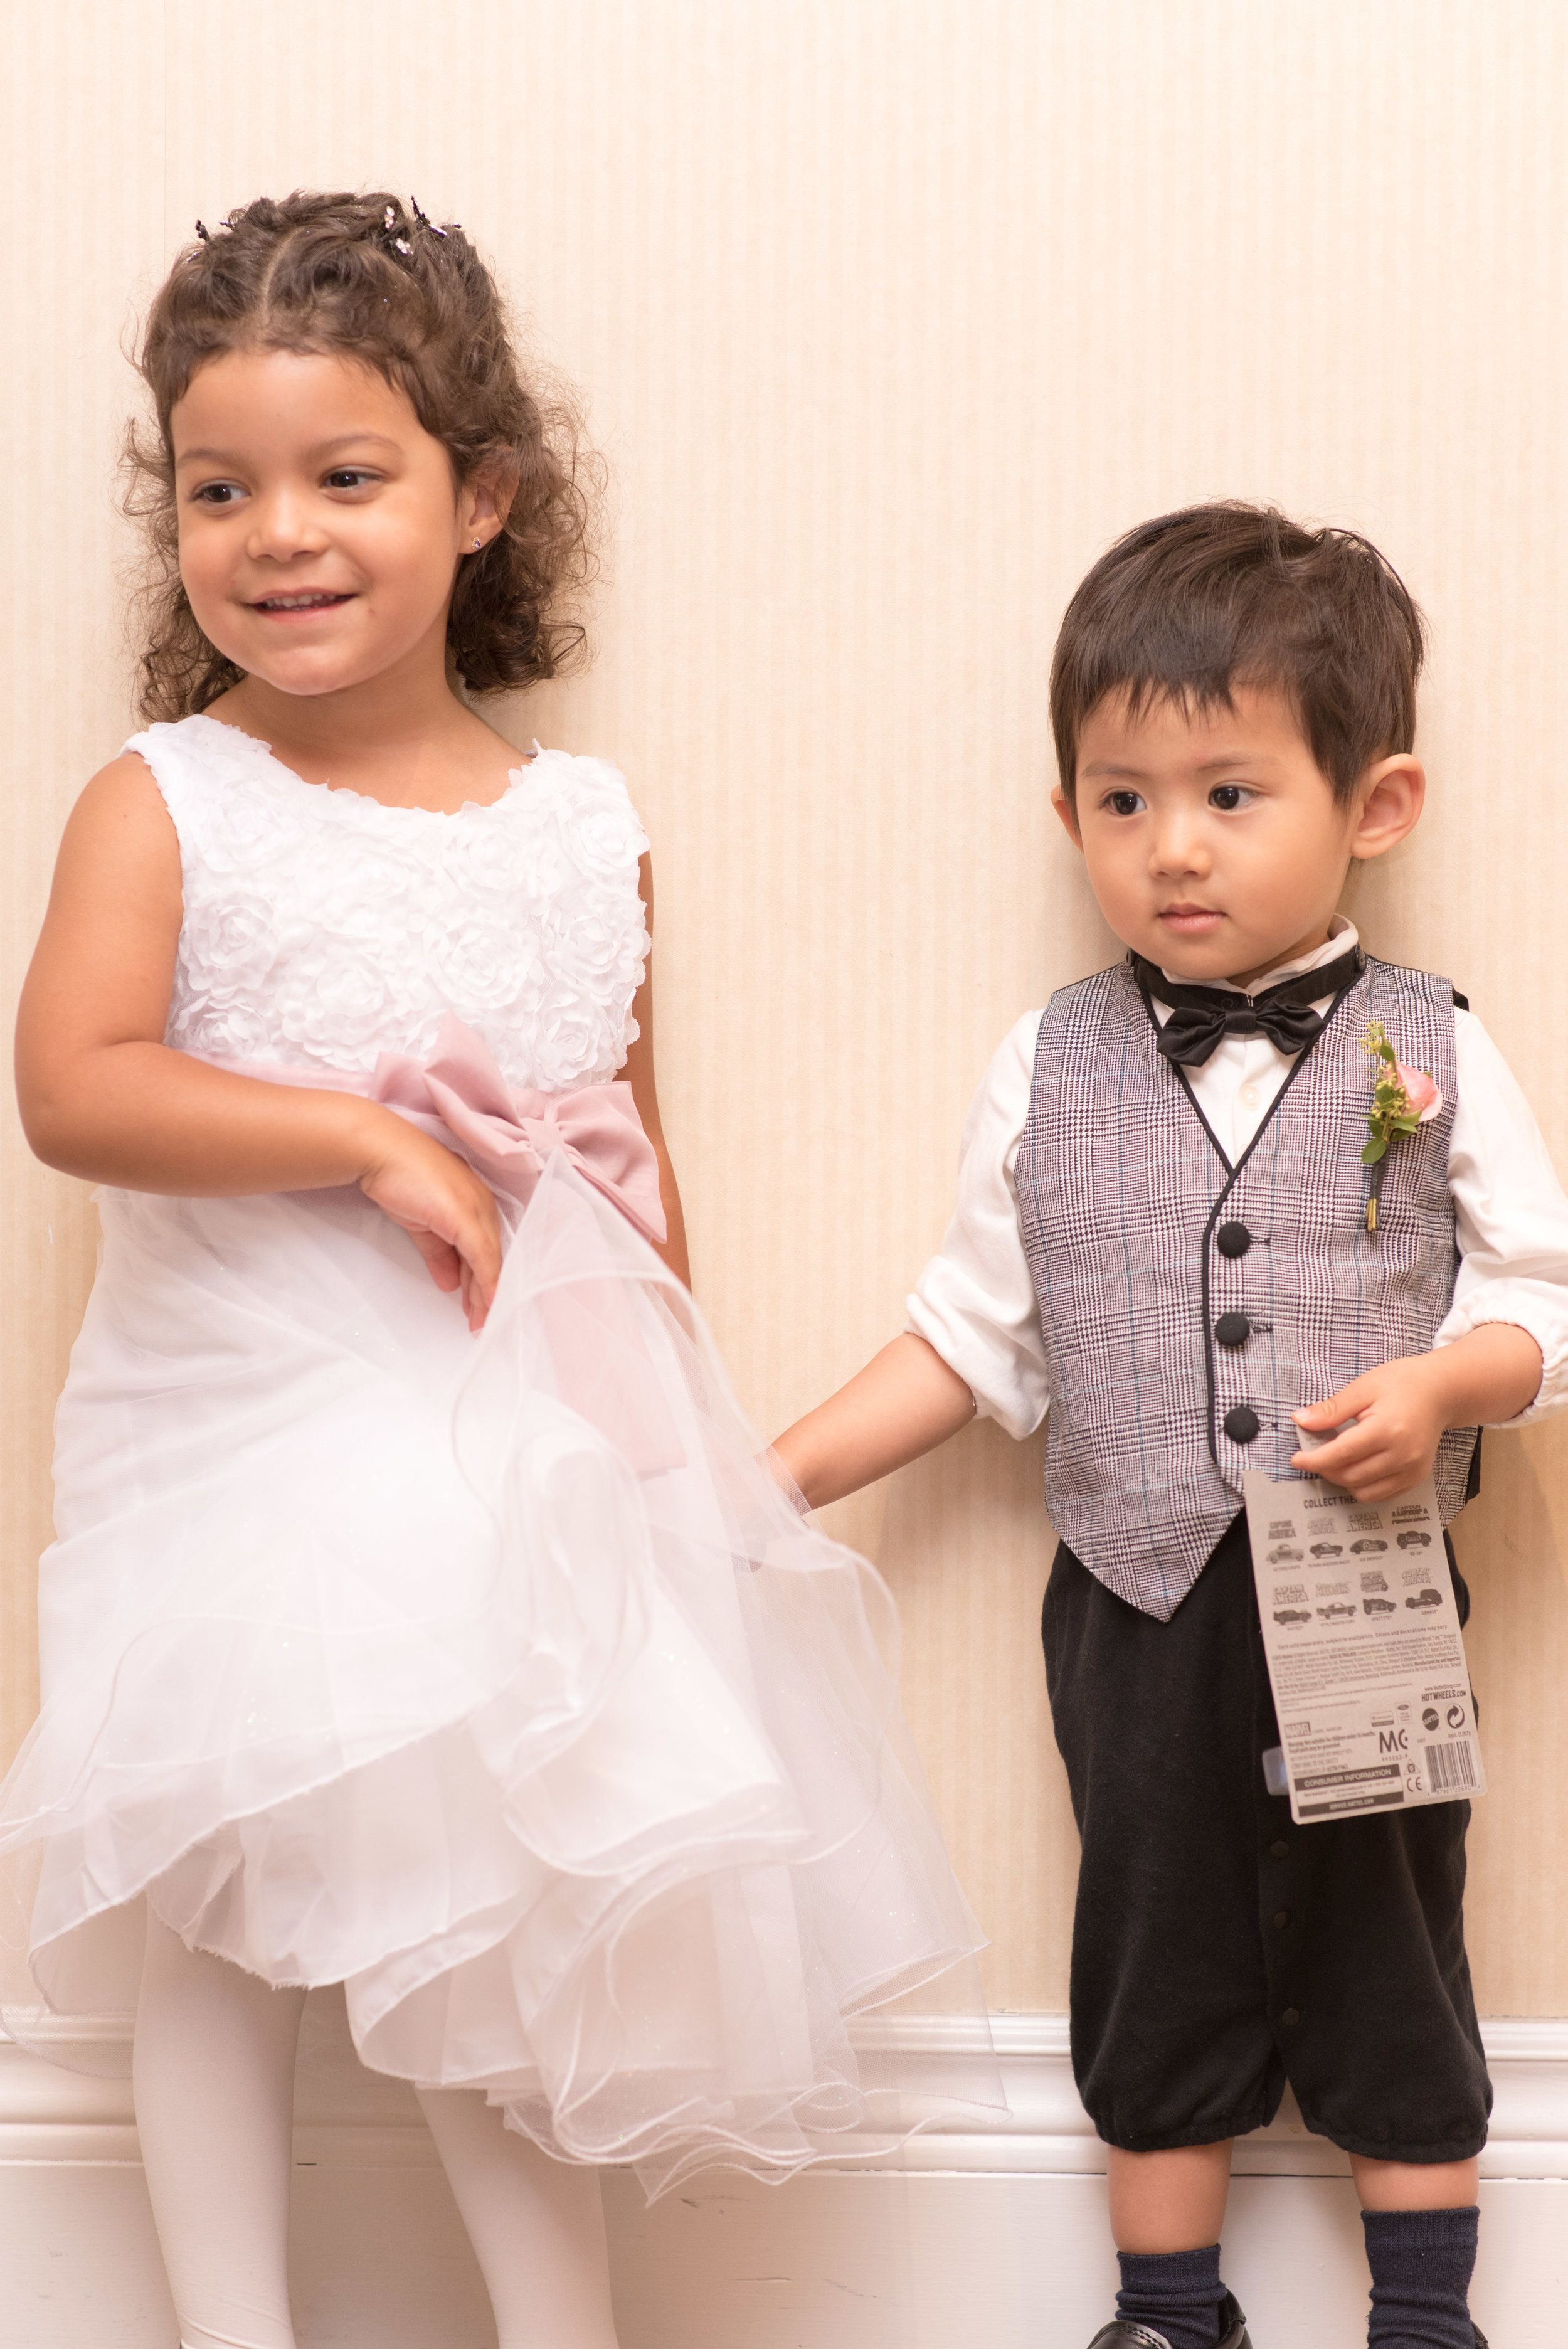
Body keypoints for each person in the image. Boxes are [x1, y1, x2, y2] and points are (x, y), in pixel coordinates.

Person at [0, 191, 987, 2349]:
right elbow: (72, 1087)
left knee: (517, 1872)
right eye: (220, 487)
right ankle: (222, 2328)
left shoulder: (580, 822)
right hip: (233, 1414)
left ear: (484, 498)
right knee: (215, 1894)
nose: (282, 532)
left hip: (502, 1426)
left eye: (346, 476)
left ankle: (564, 2326)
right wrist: (361, 1135)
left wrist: (676, 1454)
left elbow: (625, 1161)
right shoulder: (164, 800)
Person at [773, 504, 1568, 2349]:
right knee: (1149, 1934)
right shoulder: (1037, 1061)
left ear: (1372, 805)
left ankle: (1427, 2314)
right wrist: (772, 1479)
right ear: (1066, 819)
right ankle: (1163, 2310)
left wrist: (1448, 1381)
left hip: (1369, 1591)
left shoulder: (1432, 1042)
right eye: (1120, 799)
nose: (1170, 847)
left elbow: (1544, 1300)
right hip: (1132, 1594)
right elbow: (969, 1336)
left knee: (1393, 1931)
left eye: (1226, 792)